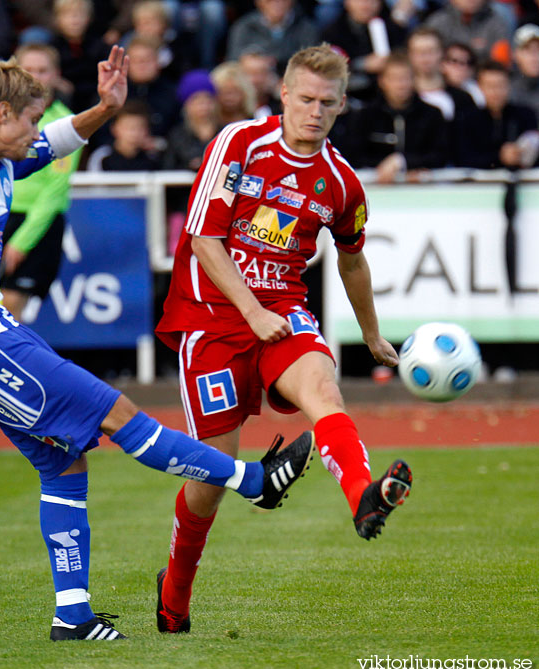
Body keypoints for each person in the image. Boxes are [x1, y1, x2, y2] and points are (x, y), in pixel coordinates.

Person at [0, 45, 312, 642]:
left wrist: (104, 108)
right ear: (0, 114)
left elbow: (55, 141)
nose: (34, 131)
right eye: (28, 118)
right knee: (116, 411)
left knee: (63, 465)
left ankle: (72, 616)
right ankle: (252, 484)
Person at [153, 43, 413, 634]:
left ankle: (362, 498)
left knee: (325, 390)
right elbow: (203, 241)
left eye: (327, 103)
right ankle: (174, 591)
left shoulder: (341, 184)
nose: (315, 112)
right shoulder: (238, 144)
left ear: (343, 105)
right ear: (284, 97)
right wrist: (249, 310)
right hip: (211, 317)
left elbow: (352, 261)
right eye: (305, 99)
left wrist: (372, 335)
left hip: (283, 311)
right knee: (213, 477)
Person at [0, 42, 83, 445]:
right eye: (30, 69)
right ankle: (10, 404)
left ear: (55, 75)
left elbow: (54, 192)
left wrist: (21, 240)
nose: (37, 77)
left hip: (35, 229)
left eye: (44, 69)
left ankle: (6, 407)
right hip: (1, 220)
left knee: (5, 316)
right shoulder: (3, 122)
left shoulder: (61, 122)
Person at [347, 51, 448, 180]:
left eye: (405, 78)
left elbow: (440, 156)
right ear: (382, 81)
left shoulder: (432, 114)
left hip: (421, 188)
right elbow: (354, 156)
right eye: (394, 78)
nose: (401, 85)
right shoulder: (364, 116)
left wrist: (404, 162)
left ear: (414, 80)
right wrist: (386, 166)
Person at [407, 27, 489, 167]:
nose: (425, 58)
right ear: (410, 55)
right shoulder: (401, 98)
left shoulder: (462, 99)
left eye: (430, 51)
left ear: (441, 54)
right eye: (419, 52)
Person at [86, 99, 160, 170]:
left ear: (147, 130)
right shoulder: (102, 157)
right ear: (114, 129)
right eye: (128, 127)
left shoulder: (153, 157)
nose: (134, 133)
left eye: (140, 128)